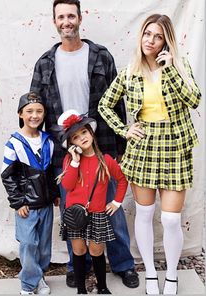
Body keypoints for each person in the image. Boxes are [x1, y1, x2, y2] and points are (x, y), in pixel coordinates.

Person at [30, 0, 139, 289]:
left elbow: (117, 104)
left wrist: (119, 145)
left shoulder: (101, 56)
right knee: (73, 211)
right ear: (54, 21)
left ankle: (123, 264)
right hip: (66, 153)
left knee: (109, 209)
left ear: (80, 17)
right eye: (61, 17)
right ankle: (78, 264)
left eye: (71, 15)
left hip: (101, 146)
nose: (66, 21)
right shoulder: (45, 63)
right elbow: (38, 110)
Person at [98, 13, 201, 295]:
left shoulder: (180, 66)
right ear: (141, 36)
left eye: (158, 36)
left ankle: (171, 275)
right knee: (144, 214)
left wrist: (170, 70)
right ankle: (151, 275)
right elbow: (104, 105)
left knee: (170, 219)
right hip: (143, 147)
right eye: (147, 34)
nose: (151, 41)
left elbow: (194, 100)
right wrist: (124, 129)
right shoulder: (130, 70)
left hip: (174, 145)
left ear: (166, 40)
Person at [55, 109, 128, 294]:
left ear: (91, 132)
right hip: (75, 214)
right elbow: (68, 185)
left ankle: (102, 286)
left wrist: (117, 202)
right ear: (71, 143)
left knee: (96, 250)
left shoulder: (106, 160)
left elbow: (122, 180)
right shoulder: (69, 160)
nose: (82, 138)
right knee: (79, 250)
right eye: (76, 137)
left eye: (84, 132)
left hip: (97, 213)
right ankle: (81, 289)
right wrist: (75, 162)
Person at [1, 92, 61, 295]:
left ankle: (40, 277)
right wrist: (18, 202)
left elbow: (51, 171)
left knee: (44, 246)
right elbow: (7, 176)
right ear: (20, 114)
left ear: (44, 114)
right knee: (28, 245)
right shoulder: (14, 143)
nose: (34, 115)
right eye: (29, 111)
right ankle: (28, 285)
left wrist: (55, 193)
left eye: (39, 111)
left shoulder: (49, 141)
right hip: (27, 206)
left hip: (45, 204)